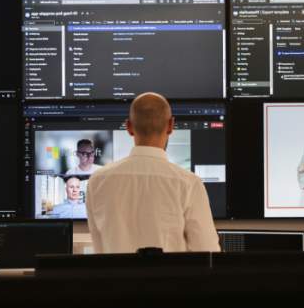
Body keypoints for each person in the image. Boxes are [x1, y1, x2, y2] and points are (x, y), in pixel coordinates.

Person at [86, 92, 220, 253]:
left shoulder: (97, 180)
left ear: (129, 127)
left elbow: (99, 251)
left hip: (117, 271)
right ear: (171, 125)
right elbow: (208, 252)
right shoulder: (188, 183)